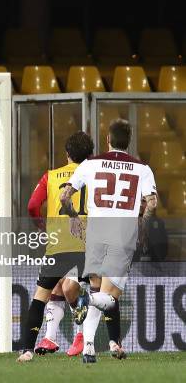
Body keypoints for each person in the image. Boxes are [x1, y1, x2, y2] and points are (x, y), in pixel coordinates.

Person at [60, 119, 157, 363]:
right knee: (108, 296)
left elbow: (64, 195)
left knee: (96, 286)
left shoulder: (90, 164)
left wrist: (73, 216)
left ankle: (89, 348)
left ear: (108, 140)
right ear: (129, 141)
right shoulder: (142, 168)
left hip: (96, 230)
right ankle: (87, 302)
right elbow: (152, 203)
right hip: (122, 232)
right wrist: (143, 230)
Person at [17, 131, 93, 362]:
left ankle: (27, 351)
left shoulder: (50, 176)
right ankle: (81, 335)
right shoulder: (94, 176)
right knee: (69, 288)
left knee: (41, 297)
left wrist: (41, 225)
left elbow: (32, 205)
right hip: (86, 246)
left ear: (67, 154)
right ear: (90, 155)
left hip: (57, 246)